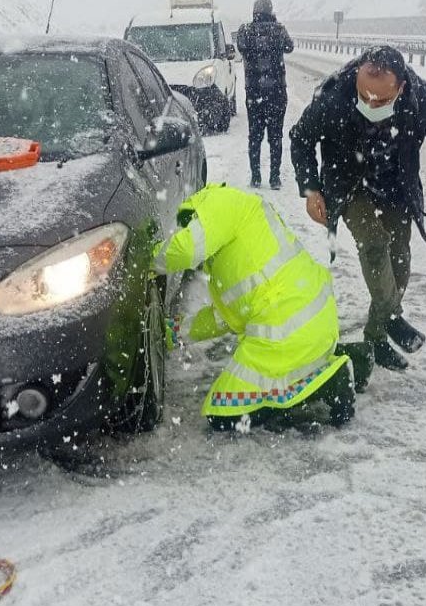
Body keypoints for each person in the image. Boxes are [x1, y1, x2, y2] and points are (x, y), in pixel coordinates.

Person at [290, 46, 426, 372]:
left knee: (400, 262)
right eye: (363, 96)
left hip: (397, 187)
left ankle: (377, 335)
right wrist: (311, 191)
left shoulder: (420, 99)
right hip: (350, 185)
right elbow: (301, 138)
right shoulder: (335, 95)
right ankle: (393, 316)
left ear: (401, 88)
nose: (369, 105)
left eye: (380, 101)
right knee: (375, 244)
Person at [152, 183, 363, 431]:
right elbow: (226, 317)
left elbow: (186, 250)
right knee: (292, 364)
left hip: (286, 327)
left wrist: (146, 258)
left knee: (223, 414)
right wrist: (173, 333)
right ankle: (353, 358)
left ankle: (333, 381)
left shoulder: (219, 204)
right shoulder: (241, 235)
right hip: (311, 318)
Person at [234, 0, 294, 190]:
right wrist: (274, 25)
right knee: (275, 137)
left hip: (254, 94)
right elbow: (289, 46)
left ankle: (256, 177)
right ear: (270, 12)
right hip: (277, 94)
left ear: (254, 12)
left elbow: (241, 48)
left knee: (255, 136)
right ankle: (275, 178)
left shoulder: (245, 31)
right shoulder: (278, 30)